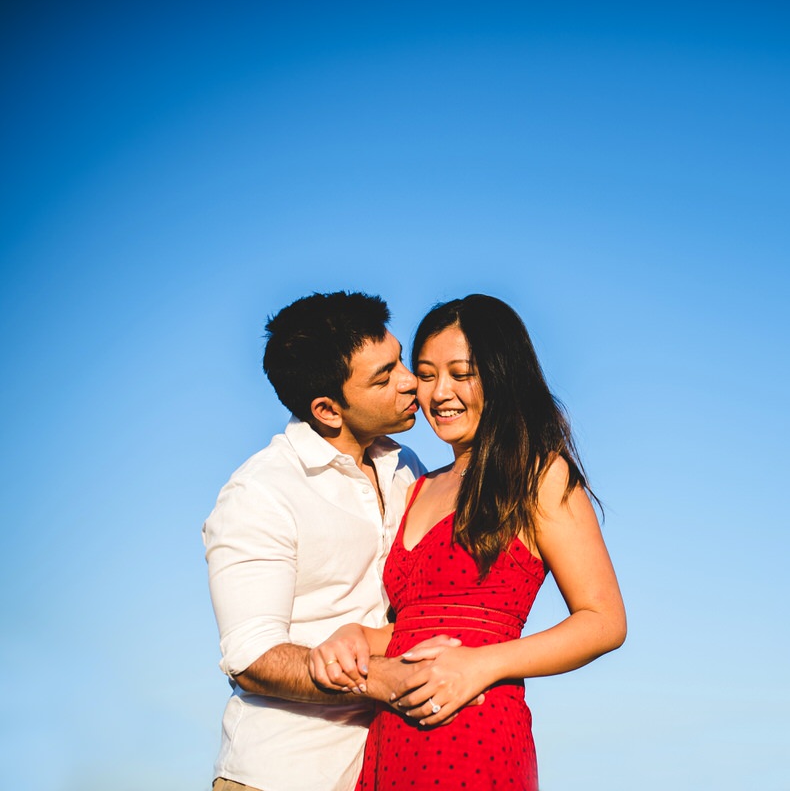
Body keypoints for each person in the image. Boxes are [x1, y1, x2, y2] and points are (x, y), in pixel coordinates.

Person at [308, 294, 627, 790]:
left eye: (462, 373)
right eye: (428, 374)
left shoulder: (538, 472)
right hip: (393, 737)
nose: (440, 393)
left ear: (501, 374)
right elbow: (420, 623)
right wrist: (358, 636)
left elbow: (604, 621)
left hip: (477, 732)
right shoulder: (416, 487)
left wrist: (481, 664)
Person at [203, 291, 466, 791]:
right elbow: (251, 658)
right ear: (327, 409)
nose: (412, 383)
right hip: (283, 774)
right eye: (383, 378)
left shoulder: (406, 466)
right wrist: (378, 679)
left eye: (399, 362)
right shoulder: (260, 492)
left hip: (392, 764)